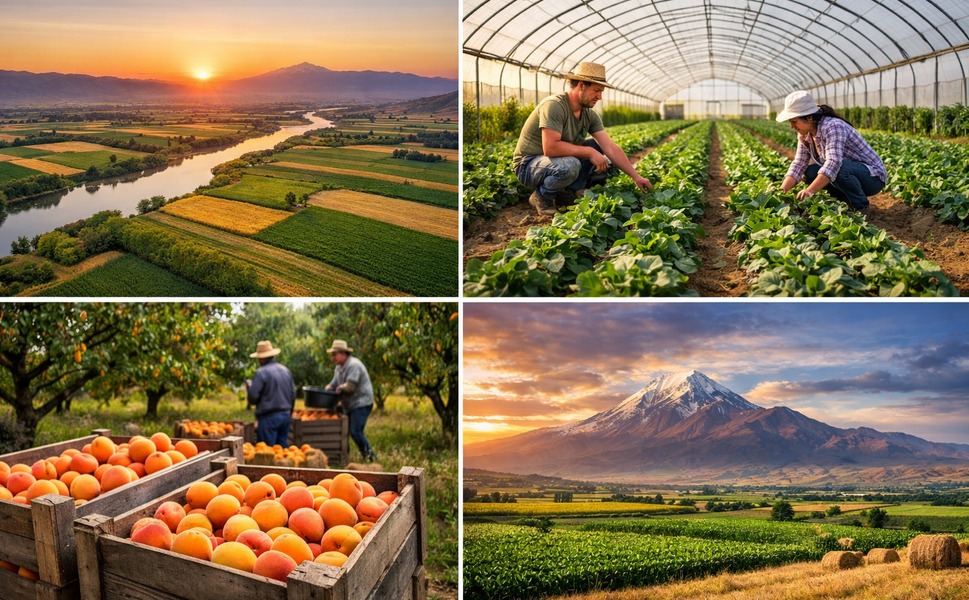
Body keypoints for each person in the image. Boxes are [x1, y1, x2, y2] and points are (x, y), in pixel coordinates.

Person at [513, 61, 654, 216]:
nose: (599, 97)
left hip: (554, 162)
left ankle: (564, 192)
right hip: (528, 165)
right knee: (572, 164)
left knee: (603, 155)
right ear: (581, 85)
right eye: (597, 90)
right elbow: (551, 148)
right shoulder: (554, 105)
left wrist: (635, 176)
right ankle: (541, 197)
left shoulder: (589, 114)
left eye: (601, 92)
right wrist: (589, 153)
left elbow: (610, 147)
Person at [777, 90, 886, 218]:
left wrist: (809, 191)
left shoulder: (833, 126)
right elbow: (799, 163)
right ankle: (842, 199)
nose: (791, 126)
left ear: (810, 117)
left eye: (794, 121)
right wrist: (781, 191)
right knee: (808, 172)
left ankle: (861, 207)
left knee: (838, 169)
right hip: (848, 173)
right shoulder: (804, 134)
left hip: (872, 177)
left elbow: (833, 163)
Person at [325, 339, 377, 462]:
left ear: (343, 354)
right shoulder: (339, 367)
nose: (333, 357)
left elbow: (350, 387)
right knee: (345, 430)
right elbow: (333, 383)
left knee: (356, 431)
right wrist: (327, 389)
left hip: (361, 402)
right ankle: (344, 456)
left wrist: (339, 388)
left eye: (335, 354)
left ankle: (370, 457)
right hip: (350, 404)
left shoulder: (354, 365)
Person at [246, 340, 296, 447]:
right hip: (285, 416)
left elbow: (253, 398)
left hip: (269, 418)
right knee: (282, 451)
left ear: (262, 358)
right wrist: (289, 412)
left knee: (267, 452)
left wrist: (250, 388)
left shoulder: (261, 373)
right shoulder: (286, 371)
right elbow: (293, 394)